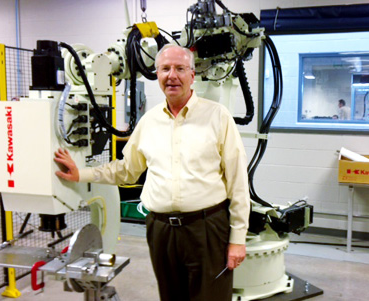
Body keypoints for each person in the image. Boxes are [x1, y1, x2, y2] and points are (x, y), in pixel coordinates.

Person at [54, 44, 250, 301]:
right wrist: (82, 174)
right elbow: (126, 171)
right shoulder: (149, 121)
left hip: (207, 228)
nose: (172, 75)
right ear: (157, 75)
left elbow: (238, 181)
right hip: (161, 230)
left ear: (192, 75)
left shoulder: (218, 117)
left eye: (180, 68)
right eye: (165, 69)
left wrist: (237, 239)